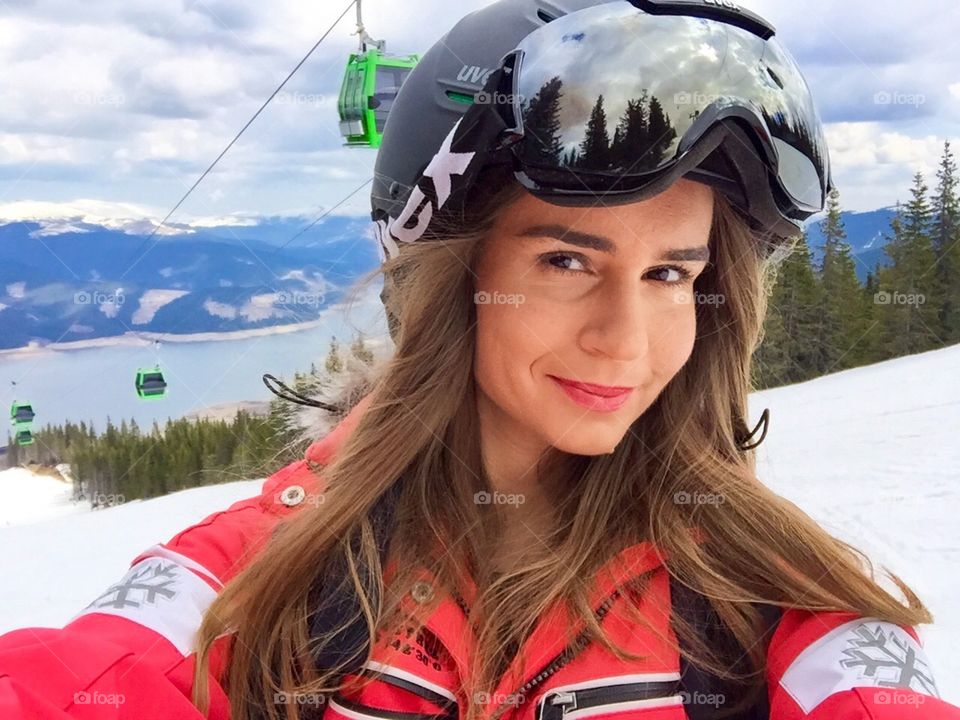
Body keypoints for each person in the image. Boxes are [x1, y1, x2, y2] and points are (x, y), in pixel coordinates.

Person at [1, 1, 958, 719]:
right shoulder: (272, 572)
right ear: (448, 284)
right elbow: (87, 675)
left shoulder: (762, 596)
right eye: (567, 260)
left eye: (671, 273)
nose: (625, 341)